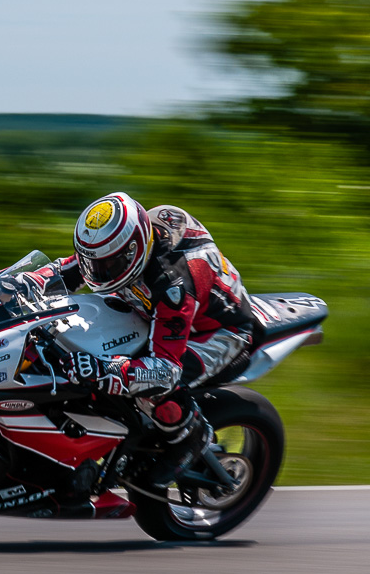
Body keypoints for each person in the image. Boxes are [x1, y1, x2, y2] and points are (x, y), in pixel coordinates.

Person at [48, 192, 255, 485]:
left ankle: (191, 436)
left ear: (134, 250)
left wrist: (108, 370)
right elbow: (66, 271)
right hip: (156, 311)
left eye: (109, 265)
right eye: (93, 263)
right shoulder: (128, 243)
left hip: (216, 331)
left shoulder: (172, 284)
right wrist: (13, 283)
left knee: (149, 388)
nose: (98, 273)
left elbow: (165, 370)